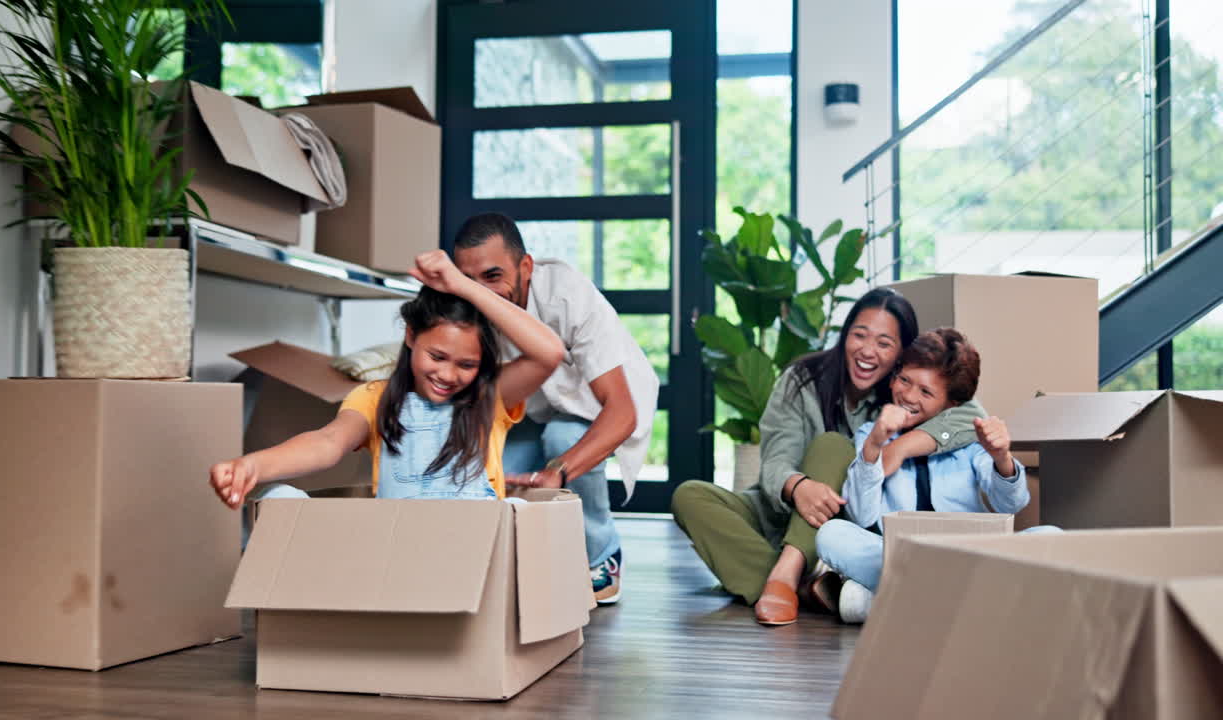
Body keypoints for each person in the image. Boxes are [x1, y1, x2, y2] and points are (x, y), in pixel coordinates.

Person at [671, 289, 986, 626]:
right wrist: (797, 486)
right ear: (844, 335)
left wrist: (899, 448)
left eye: (884, 342)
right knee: (689, 496)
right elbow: (776, 460)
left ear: (901, 354)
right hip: (789, 509)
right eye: (859, 335)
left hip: (846, 527)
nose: (867, 350)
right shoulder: (802, 379)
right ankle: (810, 589)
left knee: (834, 446)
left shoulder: (904, 392)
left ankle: (784, 579)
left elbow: (971, 414)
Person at [208, 250, 564, 509]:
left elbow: (549, 353)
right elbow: (328, 442)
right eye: (437, 357)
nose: (447, 374)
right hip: (396, 550)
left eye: (466, 364)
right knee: (280, 498)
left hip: (473, 553)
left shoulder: (489, 397)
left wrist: (464, 286)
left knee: (516, 512)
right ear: (411, 337)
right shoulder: (375, 398)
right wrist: (253, 465)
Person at [452, 213, 659, 605]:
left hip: (592, 409)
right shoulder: (464, 306)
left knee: (562, 437)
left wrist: (557, 472)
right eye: (469, 281)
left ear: (525, 266)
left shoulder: (567, 295)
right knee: (485, 470)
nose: (481, 294)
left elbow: (621, 412)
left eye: (493, 277)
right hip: (527, 412)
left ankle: (601, 554)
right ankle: (521, 564)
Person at [816, 328, 1058, 623]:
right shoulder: (871, 434)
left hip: (970, 558)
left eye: (926, 392)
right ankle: (972, 607)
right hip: (902, 557)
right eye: (904, 380)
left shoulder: (970, 439)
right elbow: (862, 515)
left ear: (950, 404)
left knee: (1051, 538)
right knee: (831, 534)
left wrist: (1001, 457)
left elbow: (1010, 504)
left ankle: (889, 604)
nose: (907, 395)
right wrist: (875, 445)